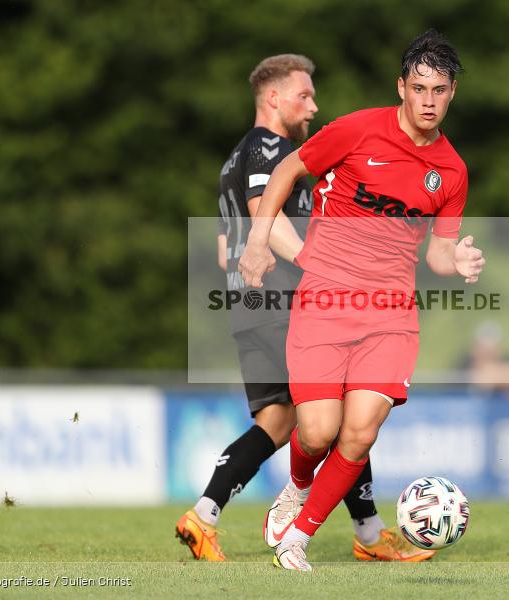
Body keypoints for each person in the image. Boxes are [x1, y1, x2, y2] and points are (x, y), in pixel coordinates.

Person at [238, 30, 485, 571]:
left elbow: (438, 252)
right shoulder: (357, 130)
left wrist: (459, 260)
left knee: (359, 431)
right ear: (401, 87)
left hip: (391, 312)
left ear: (451, 94)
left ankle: (298, 539)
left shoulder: (452, 171)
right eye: (418, 88)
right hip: (325, 298)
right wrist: (258, 240)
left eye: (438, 90)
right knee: (317, 432)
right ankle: (298, 485)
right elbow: (287, 170)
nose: (427, 101)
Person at [176, 54, 432, 563]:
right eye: (304, 95)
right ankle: (369, 535)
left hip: (248, 303)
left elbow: (227, 247)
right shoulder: (269, 147)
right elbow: (264, 219)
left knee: (278, 421)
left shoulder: (234, 157)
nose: (313, 106)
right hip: (285, 301)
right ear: (273, 98)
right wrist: (320, 266)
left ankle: (203, 516)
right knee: (343, 411)